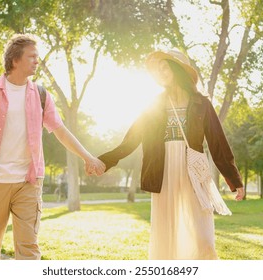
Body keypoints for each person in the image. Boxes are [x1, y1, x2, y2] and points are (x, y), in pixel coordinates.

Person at [0, 34, 105, 260]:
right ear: (15, 60)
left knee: (29, 250)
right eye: (32, 56)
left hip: (27, 184)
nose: (37, 61)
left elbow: (60, 130)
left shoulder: (41, 95)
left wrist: (87, 157)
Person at [97, 50, 244, 260]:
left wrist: (234, 178)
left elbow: (218, 142)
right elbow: (131, 139)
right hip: (161, 171)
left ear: (178, 69)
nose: (162, 72)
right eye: (159, 69)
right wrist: (105, 161)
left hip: (193, 171)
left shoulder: (201, 103)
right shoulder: (153, 104)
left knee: (203, 236)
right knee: (166, 234)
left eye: (166, 67)